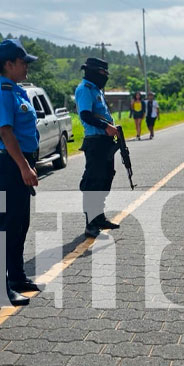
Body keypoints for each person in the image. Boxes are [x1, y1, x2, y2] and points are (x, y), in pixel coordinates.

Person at [0, 39, 40, 306]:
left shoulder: (17, 91)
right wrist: (24, 167)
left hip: (19, 163)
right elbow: (6, 132)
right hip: (11, 166)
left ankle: (17, 277)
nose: (26, 67)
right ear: (9, 65)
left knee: (20, 224)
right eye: (23, 62)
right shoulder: (3, 94)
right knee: (7, 227)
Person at [75, 57, 121, 238]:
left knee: (105, 179)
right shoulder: (85, 89)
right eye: (103, 73)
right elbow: (86, 115)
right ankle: (91, 223)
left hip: (105, 142)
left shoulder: (96, 90)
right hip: (95, 141)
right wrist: (106, 127)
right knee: (93, 182)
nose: (105, 77)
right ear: (93, 72)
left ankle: (100, 217)